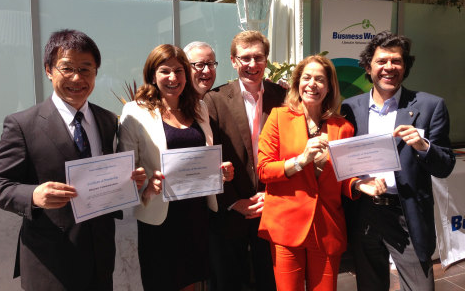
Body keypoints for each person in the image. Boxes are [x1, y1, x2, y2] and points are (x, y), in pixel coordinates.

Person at [0, 29, 147, 291]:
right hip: (50, 261)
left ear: (96, 72)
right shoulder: (22, 124)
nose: (77, 78)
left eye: (86, 69)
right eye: (67, 68)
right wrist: (34, 195)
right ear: (49, 70)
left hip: (100, 256)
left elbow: (101, 178)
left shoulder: (107, 120)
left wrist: (128, 181)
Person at [257, 55, 385, 291]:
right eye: (306, 78)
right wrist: (300, 161)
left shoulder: (343, 127)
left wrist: (358, 185)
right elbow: (264, 170)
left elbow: (344, 175)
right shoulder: (278, 118)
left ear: (329, 87)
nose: (312, 84)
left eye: (320, 80)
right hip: (287, 225)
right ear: (297, 83)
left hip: (326, 227)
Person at [341, 31, 456, 291]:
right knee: (370, 285)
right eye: (382, 61)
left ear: (405, 67)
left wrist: (423, 145)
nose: (389, 67)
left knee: (420, 287)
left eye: (396, 61)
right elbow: (344, 160)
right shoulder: (349, 108)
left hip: (407, 213)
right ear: (368, 67)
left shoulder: (429, 106)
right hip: (365, 213)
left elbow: (445, 165)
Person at [117, 44, 234, 291]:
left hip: (196, 214)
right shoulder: (134, 112)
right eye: (165, 71)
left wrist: (219, 172)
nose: (173, 78)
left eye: (179, 71)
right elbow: (126, 171)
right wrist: (145, 188)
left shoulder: (199, 108)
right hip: (160, 218)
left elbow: (203, 155)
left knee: (191, 283)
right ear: (152, 75)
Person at [204, 30, 286, 291]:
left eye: (258, 57)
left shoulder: (283, 98)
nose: (252, 65)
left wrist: (272, 195)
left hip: (272, 206)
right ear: (233, 60)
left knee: (270, 280)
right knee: (230, 281)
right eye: (245, 58)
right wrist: (232, 201)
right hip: (232, 208)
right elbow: (211, 155)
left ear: (267, 60)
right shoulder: (214, 100)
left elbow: (289, 152)